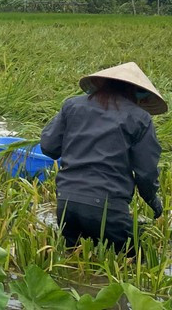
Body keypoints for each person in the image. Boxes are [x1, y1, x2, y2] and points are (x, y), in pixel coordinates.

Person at [40, 62, 165, 253]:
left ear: (101, 84)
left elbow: (49, 148)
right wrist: (153, 201)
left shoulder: (72, 105)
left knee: (75, 260)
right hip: (108, 210)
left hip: (67, 204)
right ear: (136, 91)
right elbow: (146, 172)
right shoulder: (140, 118)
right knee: (137, 261)